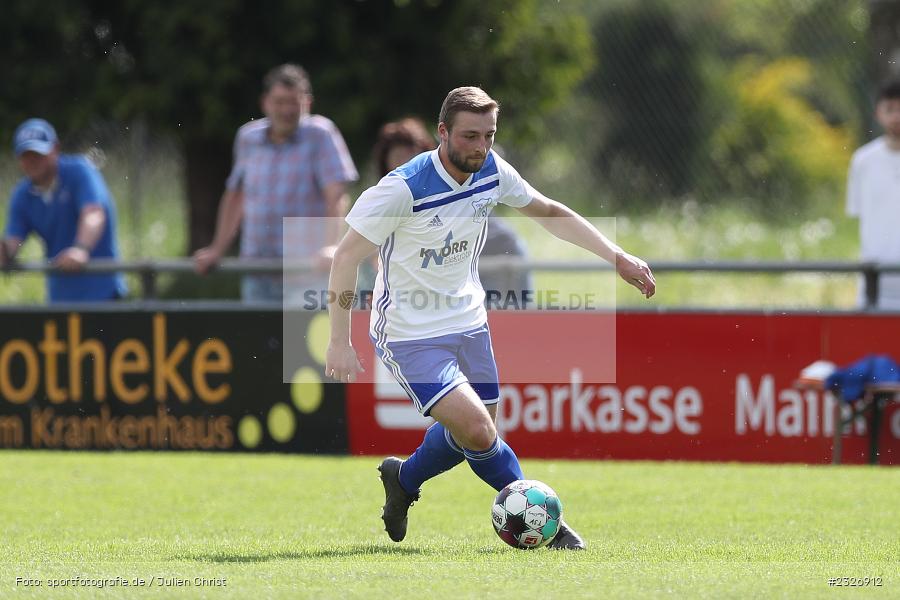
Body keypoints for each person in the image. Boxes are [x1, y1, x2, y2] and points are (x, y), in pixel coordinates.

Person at [325, 87, 656, 550]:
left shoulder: (491, 171)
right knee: (479, 431)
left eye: (489, 135)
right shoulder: (402, 188)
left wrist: (616, 256)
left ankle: (404, 478)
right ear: (442, 133)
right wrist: (339, 341)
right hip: (410, 332)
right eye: (470, 136)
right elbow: (345, 257)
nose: (480, 146)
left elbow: (548, 211)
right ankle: (551, 527)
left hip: (469, 322)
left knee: (474, 434)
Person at [193, 63, 358, 302]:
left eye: (294, 102)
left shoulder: (320, 134)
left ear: (307, 103)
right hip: (257, 270)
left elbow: (336, 196)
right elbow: (236, 196)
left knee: (302, 329)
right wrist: (217, 249)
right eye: (280, 102)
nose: (287, 110)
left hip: (305, 272)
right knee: (257, 328)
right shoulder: (248, 137)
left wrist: (331, 246)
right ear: (265, 103)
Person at [368, 117, 532, 306]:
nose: (407, 165)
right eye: (398, 158)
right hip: (458, 269)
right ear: (386, 163)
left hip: (501, 254)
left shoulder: (444, 182)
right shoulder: (391, 197)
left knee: (514, 319)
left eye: (412, 158)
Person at [0, 118, 127, 302]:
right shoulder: (22, 195)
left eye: (38, 154)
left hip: (103, 294)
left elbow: (93, 214)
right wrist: (5, 253)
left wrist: (80, 249)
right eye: (26, 155)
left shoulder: (80, 172)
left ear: (55, 149)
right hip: (60, 299)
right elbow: (13, 241)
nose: (32, 161)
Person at [847, 79, 900, 310]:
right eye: (890, 109)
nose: (896, 117)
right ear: (878, 113)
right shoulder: (863, 161)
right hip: (874, 284)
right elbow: (857, 213)